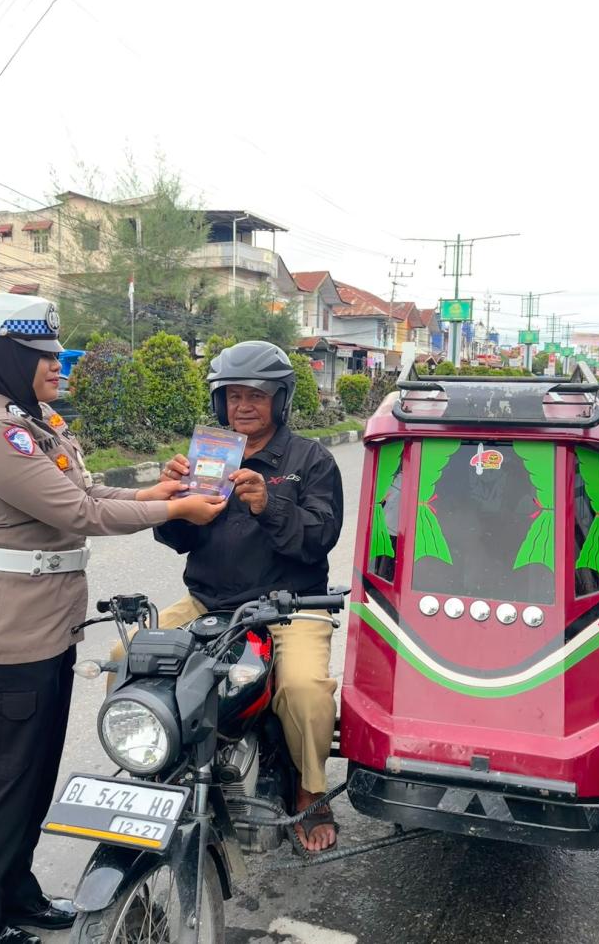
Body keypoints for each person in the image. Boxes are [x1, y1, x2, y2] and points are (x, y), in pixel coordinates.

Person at [0, 293, 225, 944]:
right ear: (6, 359)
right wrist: (174, 510)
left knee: (33, 778)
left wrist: (152, 492)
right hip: (5, 640)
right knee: (5, 783)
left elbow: (88, 490)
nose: (55, 364)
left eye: (54, 353)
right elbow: (81, 515)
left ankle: (16, 896)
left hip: (44, 631)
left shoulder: (36, 422)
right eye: (40, 355)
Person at [112, 340, 344, 852]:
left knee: (305, 691)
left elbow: (321, 537)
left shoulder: (311, 459)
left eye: (256, 396)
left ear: (280, 400)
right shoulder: (209, 456)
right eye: (233, 396)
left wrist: (269, 504)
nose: (243, 406)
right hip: (209, 603)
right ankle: (151, 760)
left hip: (291, 607)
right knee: (126, 657)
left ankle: (310, 791)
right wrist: (173, 501)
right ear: (220, 402)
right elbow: (179, 541)